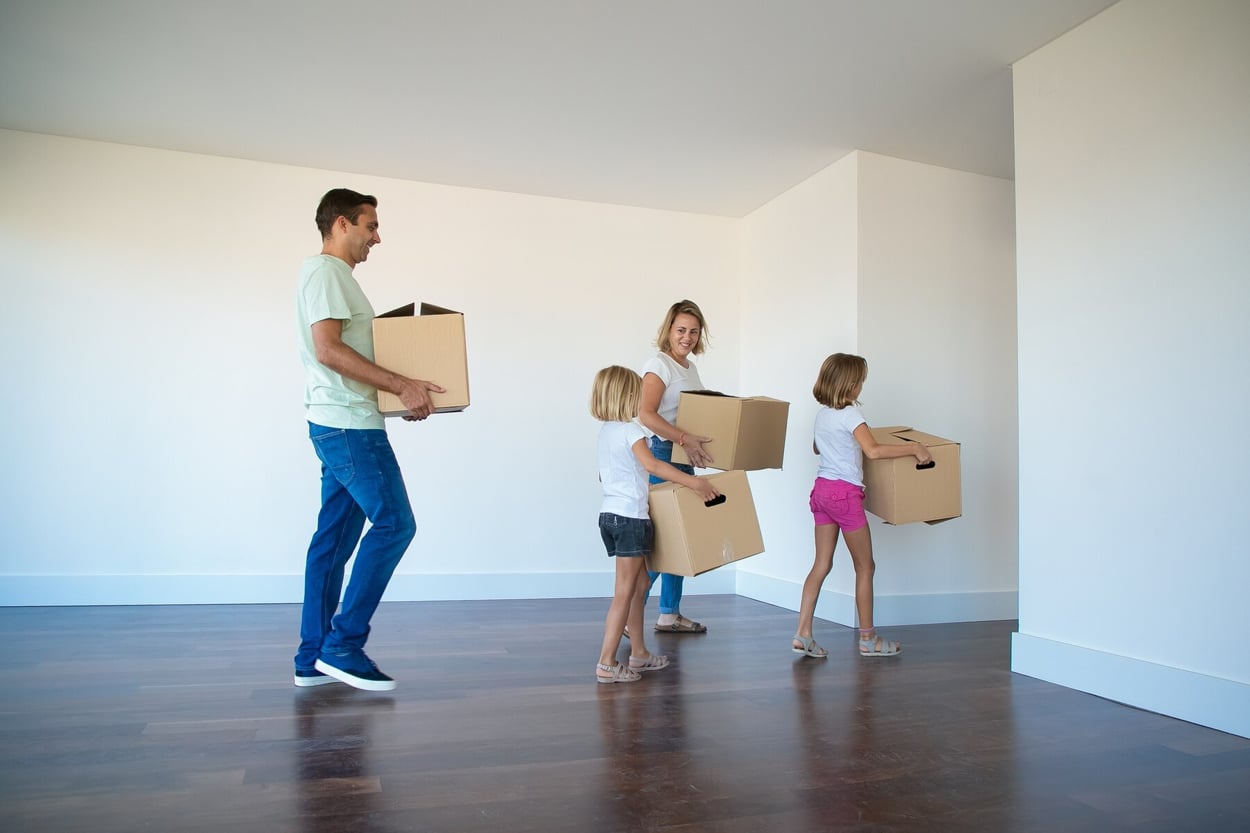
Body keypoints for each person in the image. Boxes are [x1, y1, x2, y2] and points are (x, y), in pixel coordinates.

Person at [293, 188, 445, 691]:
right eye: (369, 226)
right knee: (396, 524)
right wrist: (400, 385)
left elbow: (343, 356)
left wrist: (398, 396)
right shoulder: (327, 274)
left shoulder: (332, 279)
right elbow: (329, 351)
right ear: (341, 224)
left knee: (332, 542)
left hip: (342, 419)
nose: (376, 237)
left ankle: (312, 657)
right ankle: (343, 644)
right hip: (349, 426)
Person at [792, 353, 931, 659]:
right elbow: (873, 450)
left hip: (822, 491)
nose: (861, 387)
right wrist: (913, 448)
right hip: (844, 494)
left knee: (821, 564)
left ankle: (803, 633)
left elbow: (817, 447)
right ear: (852, 385)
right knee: (865, 566)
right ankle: (868, 639)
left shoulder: (823, 414)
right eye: (861, 382)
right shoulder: (851, 414)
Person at [591, 365, 719, 683]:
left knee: (641, 585)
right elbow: (652, 464)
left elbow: (606, 475)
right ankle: (607, 663)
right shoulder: (633, 432)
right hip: (631, 518)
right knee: (625, 591)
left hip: (609, 515)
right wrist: (694, 485)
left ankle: (640, 653)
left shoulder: (606, 432)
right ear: (627, 396)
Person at [636, 300, 715, 634]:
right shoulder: (660, 364)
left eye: (694, 332)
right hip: (664, 451)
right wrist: (684, 438)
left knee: (681, 535)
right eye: (681, 330)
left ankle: (669, 612)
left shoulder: (690, 367)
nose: (688, 337)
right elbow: (646, 414)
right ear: (668, 330)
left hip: (684, 452)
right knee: (665, 538)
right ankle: (630, 615)